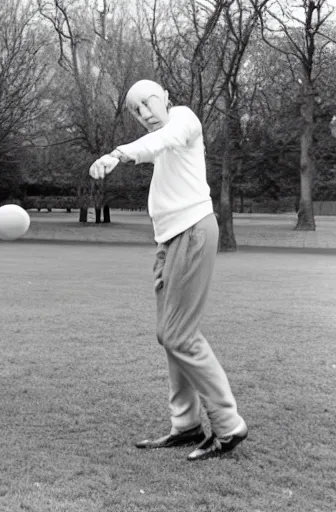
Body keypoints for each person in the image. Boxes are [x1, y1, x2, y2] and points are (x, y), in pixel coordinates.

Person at [89, 80, 248, 461]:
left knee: (180, 334)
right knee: (169, 335)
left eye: (148, 102)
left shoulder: (183, 120)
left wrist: (119, 154)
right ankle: (186, 425)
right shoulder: (162, 138)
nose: (143, 113)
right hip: (171, 241)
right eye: (134, 110)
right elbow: (157, 148)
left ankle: (228, 425)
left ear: (166, 99)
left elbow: (161, 141)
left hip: (193, 232)